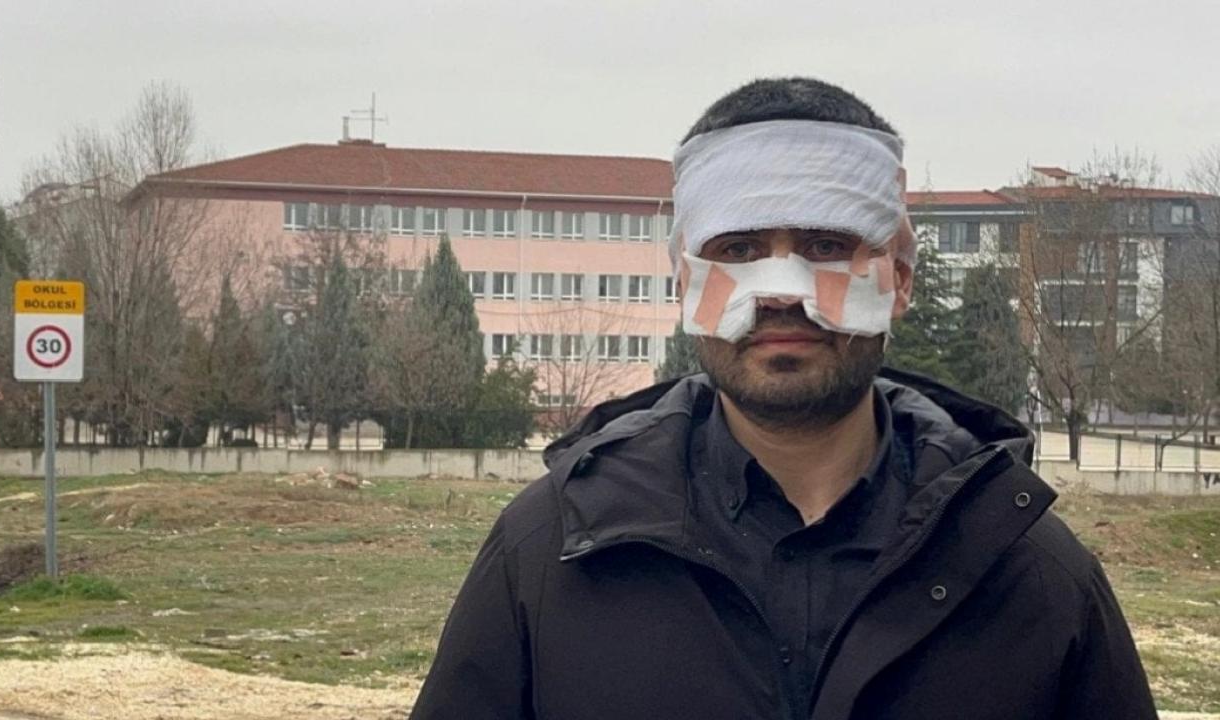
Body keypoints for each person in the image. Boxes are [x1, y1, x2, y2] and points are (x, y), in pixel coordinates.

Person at [410, 77, 1157, 720]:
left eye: (826, 245)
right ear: (684, 283)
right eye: (736, 250)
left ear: (899, 279)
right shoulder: (550, 551)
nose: (779, 292)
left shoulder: (1029, 571)